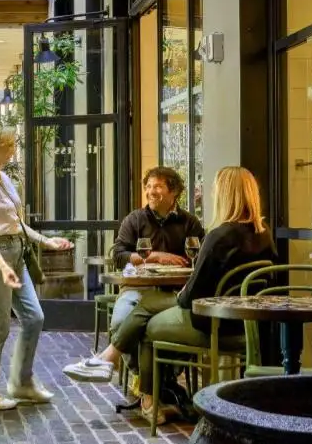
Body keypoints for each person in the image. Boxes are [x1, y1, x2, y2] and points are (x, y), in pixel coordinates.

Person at [115, 166, 278, 421]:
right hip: (247, 328)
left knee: (146, 325)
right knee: (147, 307)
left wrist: (180, 295)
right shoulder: (264, 235)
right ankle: (147, 381)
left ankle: (150, 401)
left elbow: (191, 298)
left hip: (212, 326)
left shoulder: (217, 236)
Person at [0, 117, 73, 411]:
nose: (12, 151)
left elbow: (18, 225)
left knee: (34, 318)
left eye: (13, 145)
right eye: (7, 146)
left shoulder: (3, 178)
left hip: (16, 253)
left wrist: (47, 242)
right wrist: (2, 265)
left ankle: (21, 384)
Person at [63, 166, 205, 382]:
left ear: (173, 191)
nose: (150, 191)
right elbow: (119, 255)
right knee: (121, 322)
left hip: (174, 292)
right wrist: (154, 257)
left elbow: (201, 256)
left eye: (157, 186)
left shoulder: (190, 223)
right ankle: (144, 379)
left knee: (160, 327)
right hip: (137, 288)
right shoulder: (135, 219)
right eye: (148, 186)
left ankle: (162, 379)